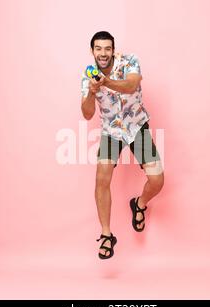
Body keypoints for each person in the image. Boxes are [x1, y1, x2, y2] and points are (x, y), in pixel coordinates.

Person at [80, 31, 164, 259]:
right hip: (111, 132)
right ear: (92, 51)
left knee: (157, 180)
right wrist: (91, 91)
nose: (103, 53)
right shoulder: (88, 77)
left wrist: (106, 82)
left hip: (137, 126)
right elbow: (87, 114)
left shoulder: (130, 62)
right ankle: (106, 235)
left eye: (107, 48)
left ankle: (139, 203)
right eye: (98, 48)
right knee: (101, 178)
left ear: (113, 50)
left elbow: (131, 86)